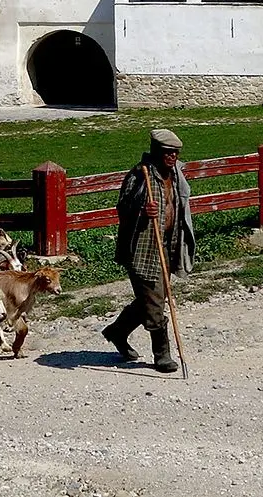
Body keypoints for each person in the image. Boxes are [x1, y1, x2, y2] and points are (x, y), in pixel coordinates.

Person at [102, 129, 195, 373]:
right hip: (142, 248)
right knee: (154, 302)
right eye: (167, 152)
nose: (172, 157)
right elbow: (123, 208)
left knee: (152, 298)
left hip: (167, 244)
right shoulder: (140, 175)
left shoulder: (175, 175)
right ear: (155, 151)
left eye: (175, 153)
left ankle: (117, 331)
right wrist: (142, 210)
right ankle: (162, 355)